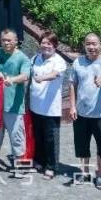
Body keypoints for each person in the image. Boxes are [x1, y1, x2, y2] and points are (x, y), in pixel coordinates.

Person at [68, 32, 101, 189]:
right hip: (81, 113)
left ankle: (100, 175)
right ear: (84, 45)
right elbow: (72, 84)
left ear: (100, 45)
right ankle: (84, 172)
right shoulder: (78, 62)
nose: (91, 47)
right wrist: (72, 106)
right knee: (82, 144)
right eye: (88, 44)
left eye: (94, 43)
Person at [0, 29, 30, 178]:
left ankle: (19, 166)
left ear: (16, 41)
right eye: (3, 40)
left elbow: (25, 76)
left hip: (14, 105)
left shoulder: (22, 58)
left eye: (9, 40)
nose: (6, 43)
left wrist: (13, 80)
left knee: (17, 136)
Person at [29, 31, 67, 179]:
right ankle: (39, 161)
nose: (45, 46)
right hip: (35, 106)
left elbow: (55, 74)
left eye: (49, 43)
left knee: (51, 138)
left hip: (51, 108)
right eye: (43, 43)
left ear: (55, 45)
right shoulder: (35, 58)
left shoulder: (59, 61)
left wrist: (42, 78)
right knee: (38, 136)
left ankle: (51, 166)